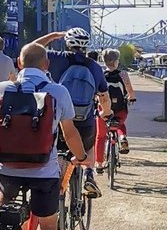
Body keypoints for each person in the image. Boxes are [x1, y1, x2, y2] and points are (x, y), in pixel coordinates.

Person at [0, 42, 89, 230]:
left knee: (4, 194)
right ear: (46, 65)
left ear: (19, 63)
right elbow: (70, 132)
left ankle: (1, 228)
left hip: (8, 167)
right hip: (43, 171)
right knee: (47, 225)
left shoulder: (2, 89)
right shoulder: (58, 91)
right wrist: (81, 155)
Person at [34, 28, 111, 198]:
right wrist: (106, 112)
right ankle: (89, 174)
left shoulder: (56, 58)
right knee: (88, 146)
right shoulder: (95, 67)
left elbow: (32, 49)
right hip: (84, 120)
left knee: (58, 147)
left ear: (67, 43)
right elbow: (104, 98)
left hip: (59, 119)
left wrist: (54, 35)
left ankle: (56, 185)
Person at [100, 48, 137, 155]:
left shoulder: (101, 75)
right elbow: (130, 90)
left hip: (105, 109)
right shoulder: (123, 74)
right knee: (120, 124)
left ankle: (100, 162)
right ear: (116, 61)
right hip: (120, 108)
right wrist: (131, 97)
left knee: (101, 133)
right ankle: (122, 138)